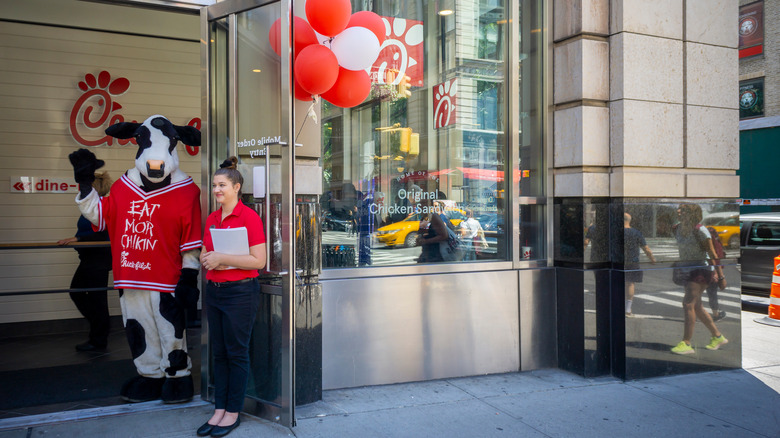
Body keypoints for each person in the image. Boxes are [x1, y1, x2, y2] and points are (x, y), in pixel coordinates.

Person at [198, 157, 267, 437]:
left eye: (222, 185)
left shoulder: (249, 217)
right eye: (214, 185)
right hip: (215, 292)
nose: (217, 189)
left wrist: (224, 258)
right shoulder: (213, 218)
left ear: (236, 187)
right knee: (219, 353)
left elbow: (259, 261)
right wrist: (211, 260)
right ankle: (219, 409)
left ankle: (233, 412)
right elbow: (205, 253)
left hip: (240, 293)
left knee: (236, 353)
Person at [58, 172, 113, 352]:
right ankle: (99, 329)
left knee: (97, 300)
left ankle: (99, 338)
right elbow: (90, 230)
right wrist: (78, 238)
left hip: (98, 259)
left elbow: (103, 232)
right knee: (78, 292)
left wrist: (78, 239)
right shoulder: (91, 207)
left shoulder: (101, 206)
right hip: (90, 258)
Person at [671, 204, 728, 355]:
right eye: (679, 209)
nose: (678, 211)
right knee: (697, 306)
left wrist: (720, 275)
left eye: (683, 210)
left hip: (700, 270)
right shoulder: (676, 228)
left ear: (691, 214)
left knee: (688, 303)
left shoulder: (700, 230)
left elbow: (712, 253)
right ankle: (717, 336)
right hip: (687, 270)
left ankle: (686, 343)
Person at [623, 213, 656, 317]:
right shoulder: (636, 233)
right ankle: (628, 310)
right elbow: (646, 248)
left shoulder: (615, 232)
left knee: (616, 283)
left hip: (618, 261)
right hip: (632, 261)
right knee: (630, 284)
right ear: (629, 220)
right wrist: (652, 259)